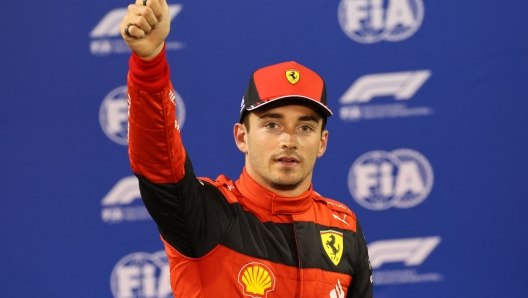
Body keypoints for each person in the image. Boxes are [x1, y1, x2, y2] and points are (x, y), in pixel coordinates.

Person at [120, 0, 373, 297]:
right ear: (241, 137)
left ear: (322, 143)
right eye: (271, 125)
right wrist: (149, 65)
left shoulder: (344, 228)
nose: (289, 140)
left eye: (305, 127)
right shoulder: (205, 215)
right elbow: (158, 159)